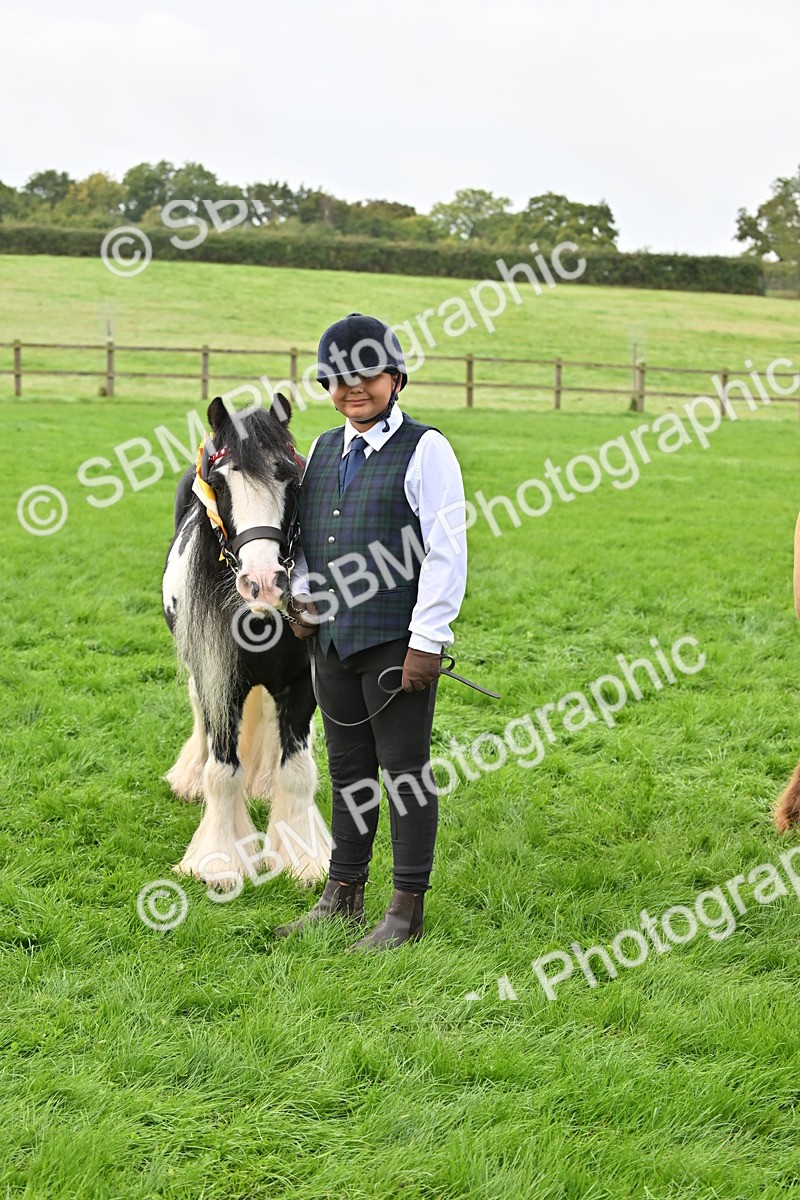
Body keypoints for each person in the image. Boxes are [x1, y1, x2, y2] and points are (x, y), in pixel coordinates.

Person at [273, 313, 468, 950]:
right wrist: (302, 598)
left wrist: (427, 641)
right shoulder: (326, 449)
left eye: (366, 375)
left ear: (395, 378)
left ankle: (406, 909)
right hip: (331, 641)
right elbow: (305, 539)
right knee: (349, 769)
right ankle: (343, 893)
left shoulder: (426, 449)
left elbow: (446, 549)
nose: (352, 388)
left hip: (394, 642)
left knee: (404, 771)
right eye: (337, 378)